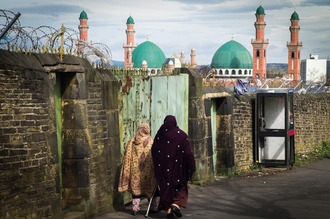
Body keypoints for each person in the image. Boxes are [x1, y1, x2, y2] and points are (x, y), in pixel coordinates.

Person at [151, 115, 196, 218]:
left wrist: (158, 165)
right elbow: (188, 154)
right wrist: (191, 167)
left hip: (163, 170)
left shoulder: (159, 135)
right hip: (178, 169)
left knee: (165, 189)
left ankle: (169, 210)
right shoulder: (181, 135)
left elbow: (154, 151)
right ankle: (175, 205)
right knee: (180, 189)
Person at [118, 123, 158, 215]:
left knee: (136, 190)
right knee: (151, 187)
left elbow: (127, 156)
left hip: (136, 170)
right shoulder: (151, 141)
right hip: (148, 170)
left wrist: (127, 169)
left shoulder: (132, 141)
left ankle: (135, 208)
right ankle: (153, 207)